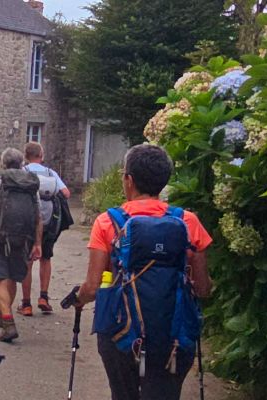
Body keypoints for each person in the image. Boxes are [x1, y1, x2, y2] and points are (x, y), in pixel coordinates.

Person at [73, 144, 214, 400]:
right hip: (173, 334)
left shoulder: (107, 222)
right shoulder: (188, 221)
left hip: (121, 333)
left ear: (129, 179)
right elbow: (203, 289)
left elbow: (92, 288)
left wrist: (78, 299)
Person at [0, 148, 42, 343]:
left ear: (3, 164)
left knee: (1, 278)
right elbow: (38, 218)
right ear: (22, 163)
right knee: (12, 277)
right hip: (23, 239)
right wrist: (37, 243)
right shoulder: (30, 187)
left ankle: (7, 320)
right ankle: (6, 315)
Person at [17, 142, 72, 317]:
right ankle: (44, 298)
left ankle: (26, 304)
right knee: (46, 258)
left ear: (26, 156)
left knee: (28, 261)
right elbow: (66, 193)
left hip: (29, 222)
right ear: (41, 155)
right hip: (50, 222)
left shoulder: (23, 172)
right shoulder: (51, 173)